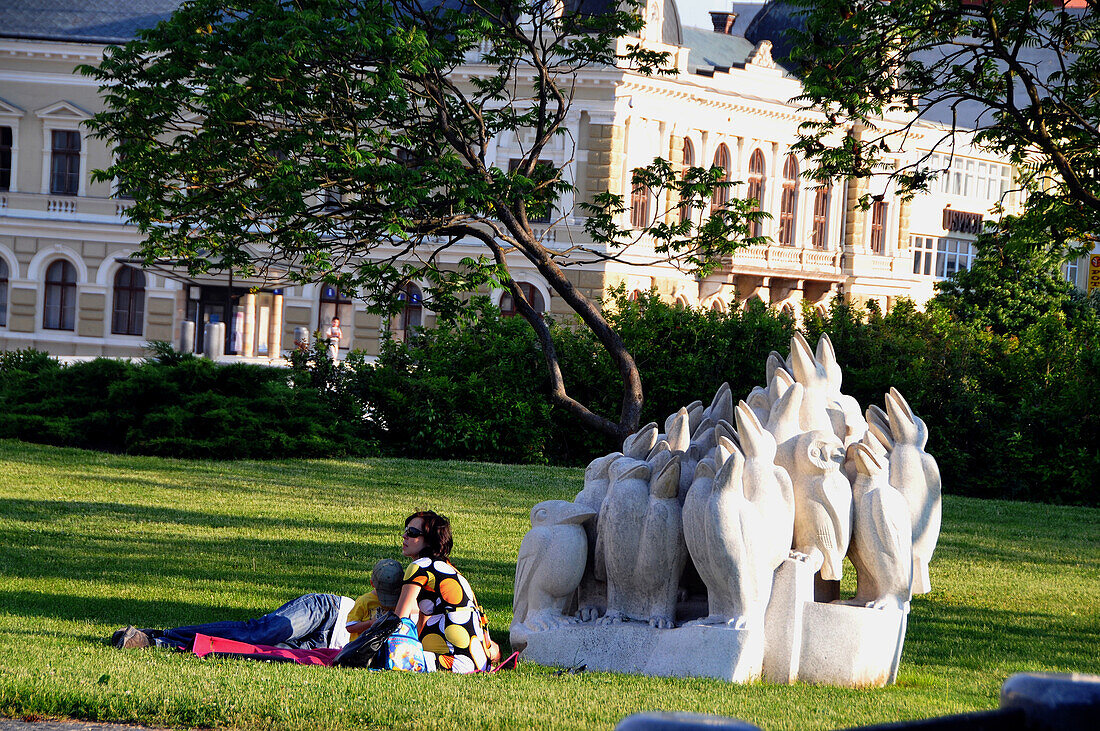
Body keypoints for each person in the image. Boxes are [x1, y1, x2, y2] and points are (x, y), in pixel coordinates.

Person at [111, 558, 404, 651]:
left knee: (252, 650)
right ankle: (160, 633)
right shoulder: (409, 603)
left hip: (327, 650)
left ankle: (156, 643)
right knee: (258, 633)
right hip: (329, 613)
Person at [395, 510, 502, 673]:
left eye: (412, 532)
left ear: (430, 540)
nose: (404, 536)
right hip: (477, 662)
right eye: (406, 530)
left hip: (455, 662)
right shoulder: (447, 568)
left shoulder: (419, 567)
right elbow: (422, 622)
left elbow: (399, 619)